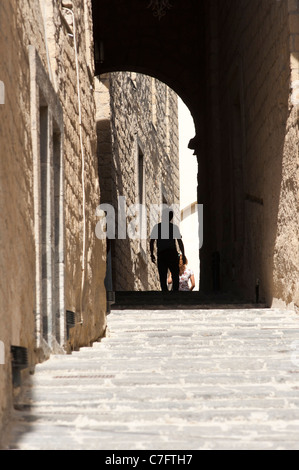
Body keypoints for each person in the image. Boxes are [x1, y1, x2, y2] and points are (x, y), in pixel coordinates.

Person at [150, 209, 186, 291]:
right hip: (172, 253)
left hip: (162, 253)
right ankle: (175, 292)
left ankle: (165, 293)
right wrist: (183, 254)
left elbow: (152, 241)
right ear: (170, 218)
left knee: (162, 275)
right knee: (175, 273)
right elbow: (180, 242)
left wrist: (152, 254)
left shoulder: (157, 227)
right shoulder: (174, 227)